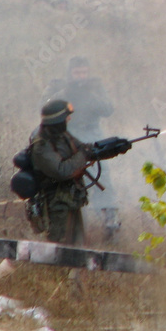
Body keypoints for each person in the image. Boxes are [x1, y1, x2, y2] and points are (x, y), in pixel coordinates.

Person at [43, 56, 121, 240]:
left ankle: (110, 224)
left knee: (103, 179)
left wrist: (89, 95)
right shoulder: (57, 87)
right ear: (70, 74)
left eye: (84, 72)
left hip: (93, 135)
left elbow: (108, 109)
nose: (81, 76)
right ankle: (71, 227)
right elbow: (44, 109)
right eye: (77, 73)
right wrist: (65, 94)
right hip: (68, 137)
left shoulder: (95, 86)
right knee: (70, 180)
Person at [27, 99, 93, 246]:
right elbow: (62, 170)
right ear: (57, 120)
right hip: (56, 205)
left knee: (78, 245)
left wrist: (111, 148)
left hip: (70, 199)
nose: (69, 119)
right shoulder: (41, 145)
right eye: (66, 116)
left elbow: (82, 149)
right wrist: (84, 154)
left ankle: (74, 269)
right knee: (59, 248)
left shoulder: (63, 136)